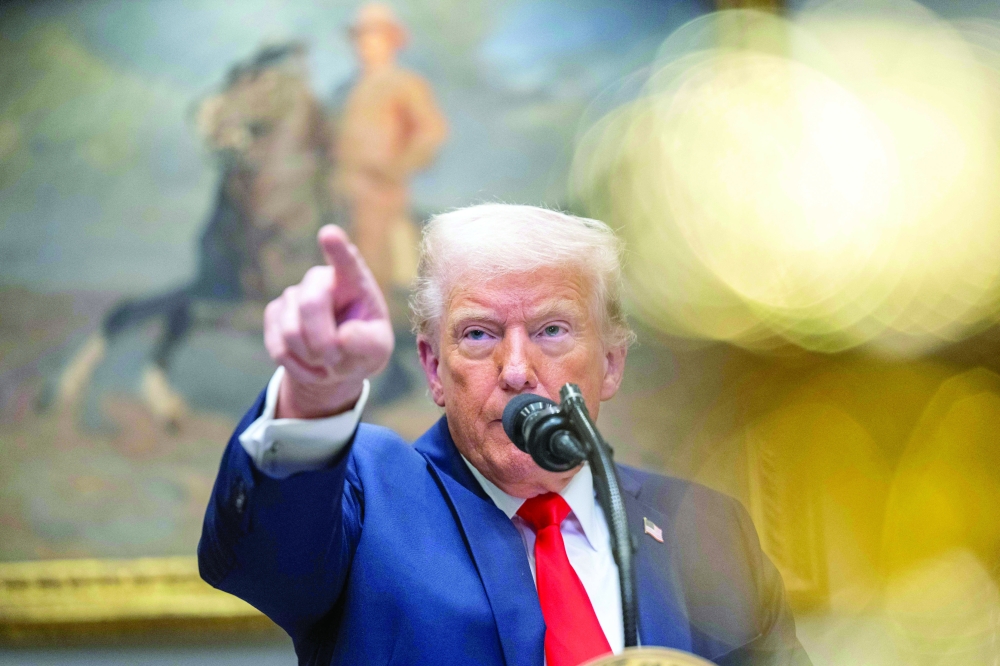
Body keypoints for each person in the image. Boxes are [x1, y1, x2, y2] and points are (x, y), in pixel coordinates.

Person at [199, 204, 810, 666]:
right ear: (435, 368)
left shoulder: (707, 529)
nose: (516, 370)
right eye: (479, 334)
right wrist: (312, 394)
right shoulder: (367, 495)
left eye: (551, 330)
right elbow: (264, 556)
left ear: (611, 364)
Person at [329, 3, 447, 294]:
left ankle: (372, 323)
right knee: (339, 253)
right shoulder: (348, 88)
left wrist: (398, 167)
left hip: (379, 187)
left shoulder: (405, 83)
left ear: (393, 41)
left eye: (375, 35)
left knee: (373, 255)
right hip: (342, 185)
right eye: (361, 37)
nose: (366, 44)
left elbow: (431, 130)